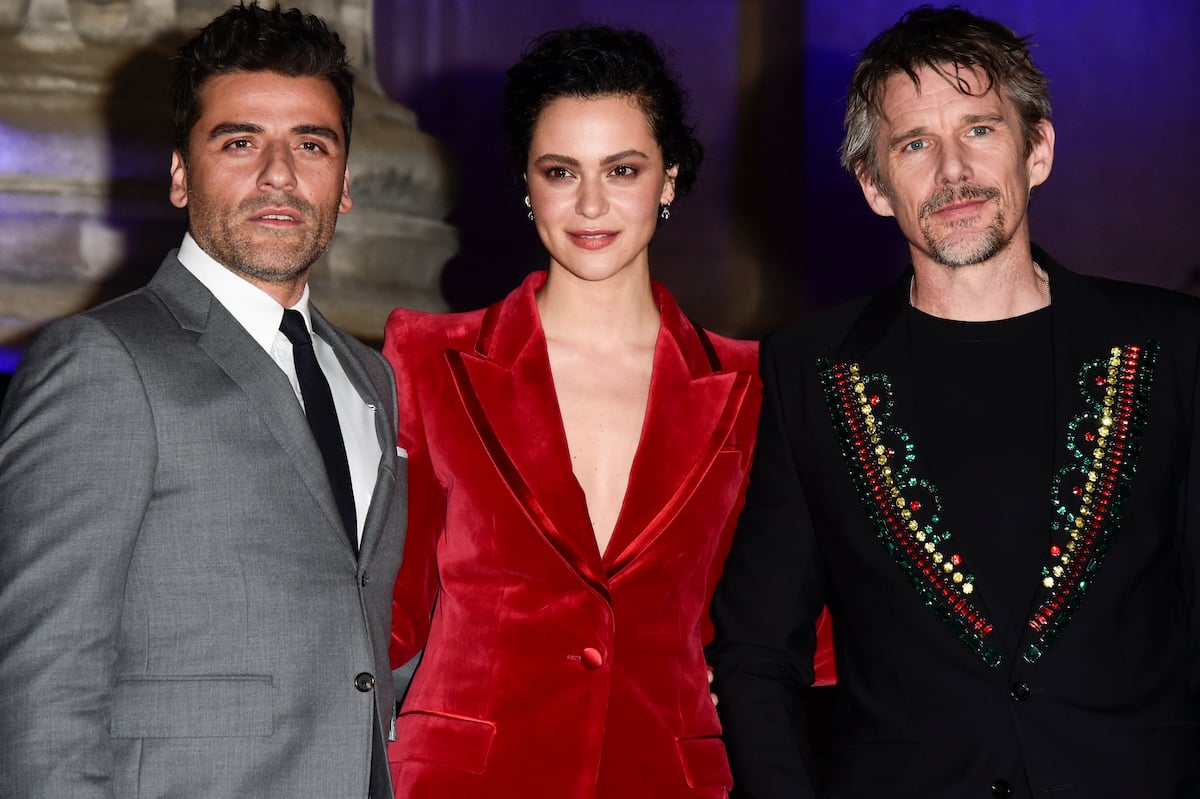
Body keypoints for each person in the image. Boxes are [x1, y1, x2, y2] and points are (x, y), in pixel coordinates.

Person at [707, 5, 1200, 798]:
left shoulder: (1172, 346)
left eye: (979, 129)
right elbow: (757, 652)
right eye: (914, 143)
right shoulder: (812, 370)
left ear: (1037, 148)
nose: (952, 171)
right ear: (874, 185)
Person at [0, 3, 406, 797]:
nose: (279, 174)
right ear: (181, 175)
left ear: (346, 182)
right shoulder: (102, 362)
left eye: (312, 144)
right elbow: (40, 681)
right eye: (240, 141)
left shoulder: (369, 378)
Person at [382, 25, 760, 798]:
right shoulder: (427, 358)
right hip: (465, 782)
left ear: (668, 178)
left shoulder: (749, 383)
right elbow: (388, 607)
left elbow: (788, 621)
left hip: (666, 777)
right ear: (527, 184)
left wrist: (751, 685)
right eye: (561, 171)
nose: (590, 204)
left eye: (622, 170)